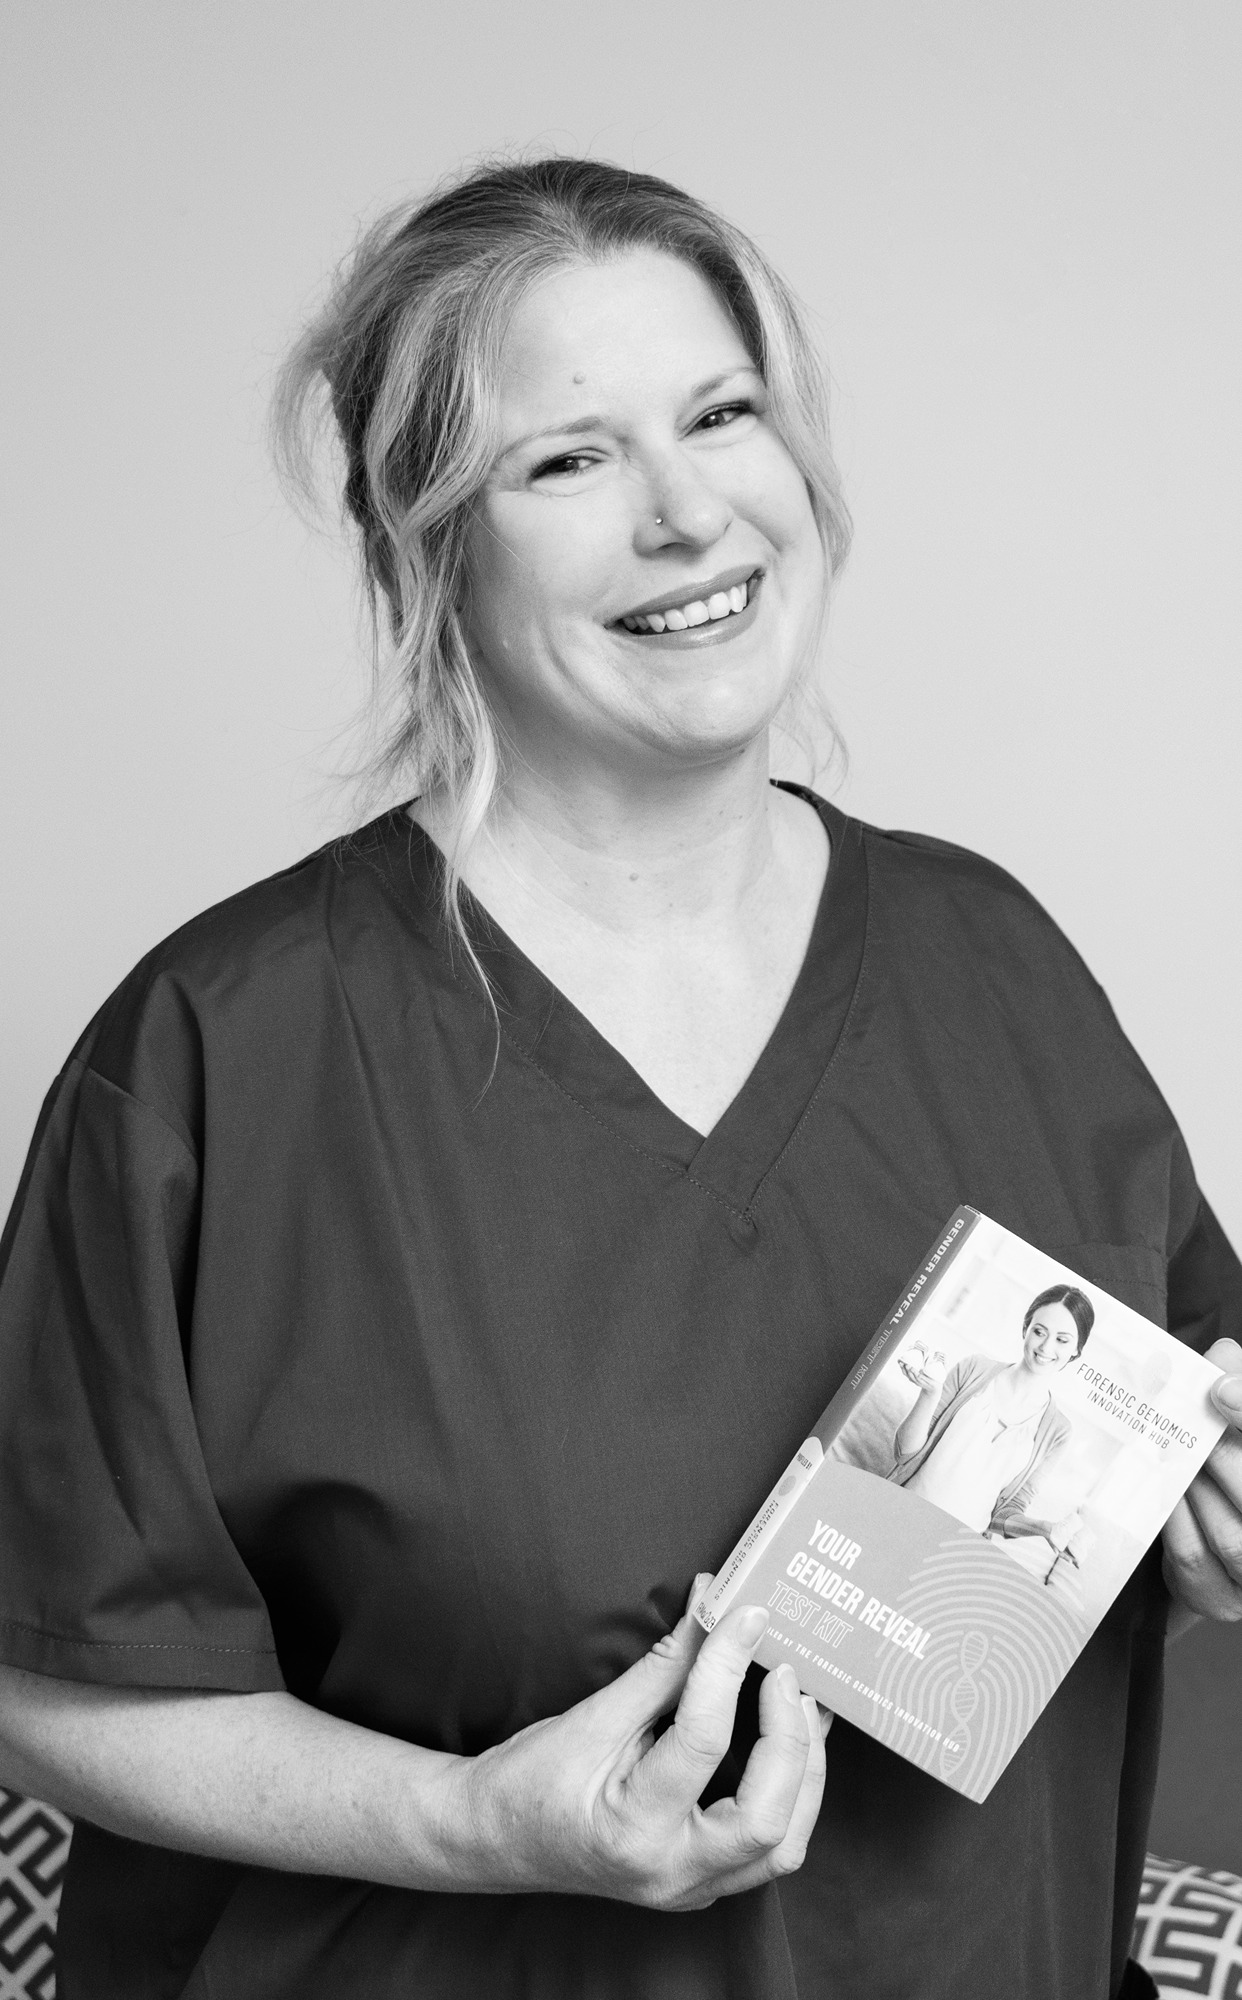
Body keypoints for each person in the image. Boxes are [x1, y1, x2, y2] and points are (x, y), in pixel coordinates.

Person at [0, 156, 1239, 2000]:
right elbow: (45, 1682)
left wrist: (1204, 1531)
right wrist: (475, 1824)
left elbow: (1140, 1469)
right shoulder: (217, 1056)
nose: (687, 513)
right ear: (427, 542)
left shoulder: (995, 962)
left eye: (719, 414)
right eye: (567, 459)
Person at [890, 1285, 1094, 1557]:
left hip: (954, 1554)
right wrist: (929, 1395)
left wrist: (1046, 1529)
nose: (1046, 1347)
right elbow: (904, 1454)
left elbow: (1004, 1513)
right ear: (1025, 1328)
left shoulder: (1058, 1431)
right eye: (1039, 1332)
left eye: (1062, 1340)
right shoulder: (973, 1369)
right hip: (900, 1516)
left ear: (1076, 1350)